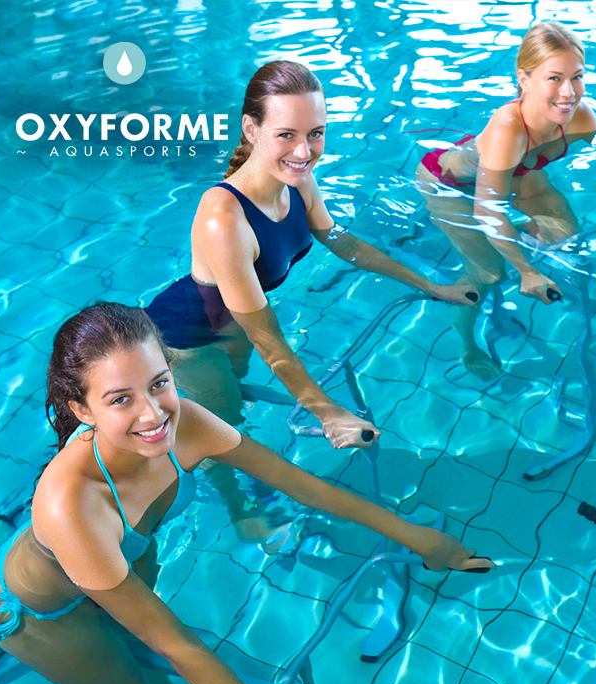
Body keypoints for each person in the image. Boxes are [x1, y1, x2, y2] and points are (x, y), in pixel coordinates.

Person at [0, 302, 495, 684]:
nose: (154, 413)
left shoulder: (187, 423)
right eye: (120, 399)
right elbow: (178, 644)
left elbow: (306, 487)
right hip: (43, 613)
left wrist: (424, 540)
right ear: (80, 410)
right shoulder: (72, 505)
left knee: (170, 683)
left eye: (159, 382)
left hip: (113, 573)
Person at [146, 60, 478, 452]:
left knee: (233, 405)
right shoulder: (224, 218)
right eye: (286, 134)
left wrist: (432, 287)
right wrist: (328, 412)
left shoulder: (297, 177)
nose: (304, 151)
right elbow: (266, 334)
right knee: (223, 433)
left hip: (233, 319)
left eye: (315, 134)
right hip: (190, 336)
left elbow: (343, 242)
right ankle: (238, 505)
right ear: (251, 130)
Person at [416, 21, 596, 379]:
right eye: (554, 78)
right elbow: (488, 208)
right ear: (524, 79)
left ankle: (509, 244)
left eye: (577, 77)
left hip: (516, 173)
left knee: (566, 233)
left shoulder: (583, 119)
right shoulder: (506, 129)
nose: (568, 92)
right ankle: (466, 341)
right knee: (489, 272)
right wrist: (527, 270)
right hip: (450, 185)